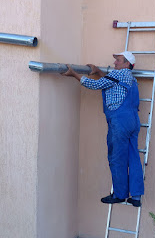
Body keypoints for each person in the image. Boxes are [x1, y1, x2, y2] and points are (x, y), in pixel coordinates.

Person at [62, 51, 144, 207]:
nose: (115, 63)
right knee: (133, 158)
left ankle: (120, 194)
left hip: (121, 122)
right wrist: (99, 72)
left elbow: (94, 85)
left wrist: (73, 74)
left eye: (118, 61)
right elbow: (111, 85)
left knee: (117, 158)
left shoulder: (119, 75)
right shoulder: (131, 79)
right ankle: (136, 197)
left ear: (127, 64)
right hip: (133, 121)